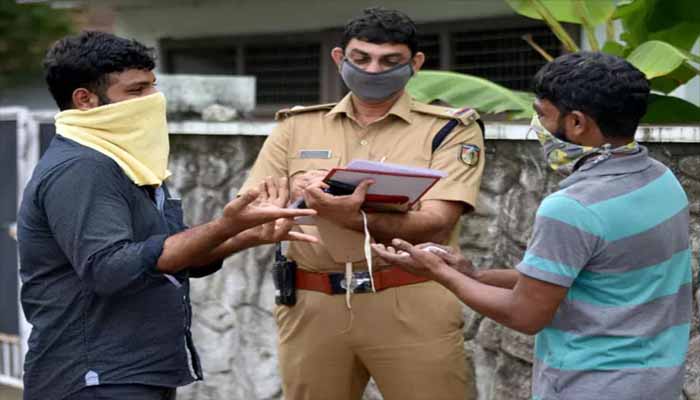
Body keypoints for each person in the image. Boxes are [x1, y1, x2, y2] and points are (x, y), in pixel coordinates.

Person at [373, 51, 691, 400]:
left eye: (542, 115)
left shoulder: (572, 208)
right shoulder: (660, 180)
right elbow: (576, 279)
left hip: (590, 387)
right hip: (657, 383)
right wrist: (473, 275)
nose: (536, 125)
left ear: (577, 123)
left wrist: (440, 273)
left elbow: (524, 314)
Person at [17, 31, 316, 400]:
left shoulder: (127, 164)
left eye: (152, 86)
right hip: (94, 378)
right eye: (136, 90)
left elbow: (173, 257)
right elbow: (109, 268)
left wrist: (247, 233)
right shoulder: (82, 168)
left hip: (134, 372)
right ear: (85, 99)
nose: (153, 99)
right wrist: (226, 224)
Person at [239, 7, 485, 400]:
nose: (373, 70)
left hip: (409, 298)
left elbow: (437, 223)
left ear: (415, 63)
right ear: (340, 58)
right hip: (312, 303)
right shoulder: (296, 127)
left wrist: (347, 215)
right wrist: (292, 200)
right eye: (361, 58)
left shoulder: (448, 131)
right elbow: (254, 208)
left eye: (390, 61)